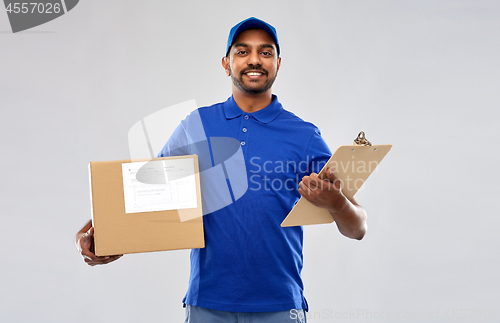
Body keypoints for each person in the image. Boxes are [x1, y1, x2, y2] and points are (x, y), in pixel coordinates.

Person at [76, 17, 367, 322]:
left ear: (278, 63)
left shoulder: (304, 136)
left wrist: (337, 203)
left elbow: (357, 228)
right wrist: (92, 237)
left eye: (265, 52)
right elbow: (145, 198)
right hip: (207, 305)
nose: (254, 59)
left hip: (281, 305)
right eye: (242, 52)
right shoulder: (196, 125)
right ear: (226, 63)